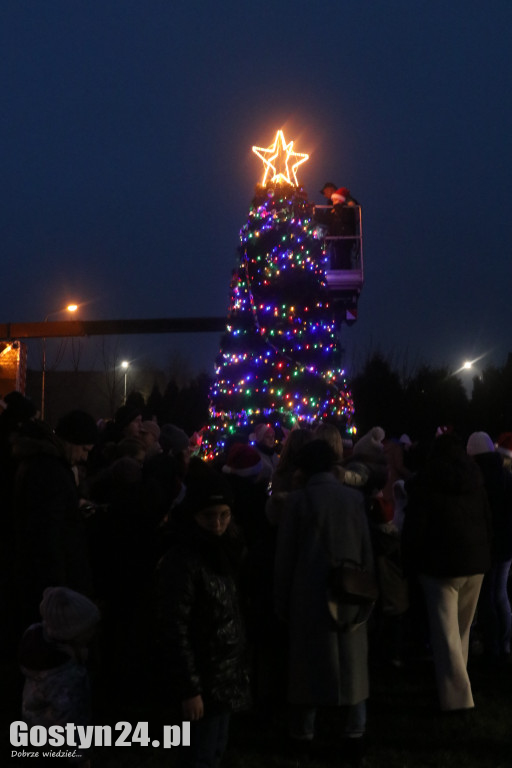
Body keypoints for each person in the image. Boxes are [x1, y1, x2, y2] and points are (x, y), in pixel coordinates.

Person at [274, 440, 374, 767]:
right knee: (353, 664)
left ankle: (302, 735)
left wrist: (282, 600)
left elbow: (285, 556)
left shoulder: (298, 502)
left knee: (306, 668)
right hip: (349, 590)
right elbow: (365, 548)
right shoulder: (354, 498)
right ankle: (354, 733)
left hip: (309, 594)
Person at [155, 463, 249, 768]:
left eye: (224, 515)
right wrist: (189, 688)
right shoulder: (183, 561)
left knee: (215, 751)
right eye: (209, 516)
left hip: (224, 677)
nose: (218, 524)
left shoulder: (227, 551)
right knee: (199, 756)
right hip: (202, 680)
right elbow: (174, 627)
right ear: (193, 515)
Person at [402, 433, 492, 712]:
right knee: (462, 631)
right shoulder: (475, 478)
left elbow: (416, 525)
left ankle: (458, 701)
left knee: (446, 635)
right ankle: (455, 685)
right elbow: (487, 517)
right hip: (475, 562)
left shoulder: (428, 480)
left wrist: (410, 559)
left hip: (440, 564)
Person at [12, 411, 98, 634]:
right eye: (84, 449)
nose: (84, 457)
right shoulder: (50, 471)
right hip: (52, 588)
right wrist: (60, 590)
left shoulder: (43, 465)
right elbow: (48, 537)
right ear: (70, 441)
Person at [19, 587, 100, 766]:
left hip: (37, 734)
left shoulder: (41, 648)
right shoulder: (65, 677)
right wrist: (79, 756)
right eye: (89, 629)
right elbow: (70, 719)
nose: (93, 632)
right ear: (73, 633)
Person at [466, 431, 512, 663]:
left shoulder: (477, 477)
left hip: (487, 545)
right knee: (501, 595)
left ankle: (492, 646)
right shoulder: (505, 475)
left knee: (486, 598)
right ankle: (505, 643)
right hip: (506, 545)